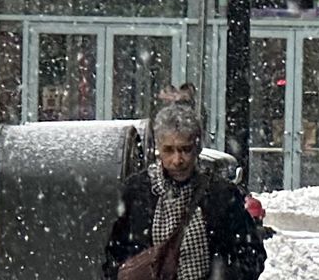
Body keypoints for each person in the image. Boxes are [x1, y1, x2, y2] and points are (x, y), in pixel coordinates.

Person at [104, 103, 266, 280]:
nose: (177, 160)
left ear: (197, 148)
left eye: (185, 149)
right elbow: (114, 254)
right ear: (158, 148)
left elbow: (252, 255)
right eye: (169, 150)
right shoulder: (136, 191)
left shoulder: (221, 194)